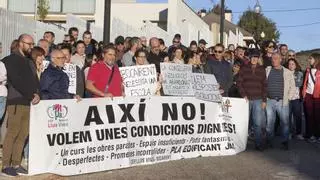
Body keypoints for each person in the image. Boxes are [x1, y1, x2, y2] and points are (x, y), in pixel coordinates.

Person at [1, 34, 40, 176]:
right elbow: (16, 80)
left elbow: (35, 80)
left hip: (28, 102)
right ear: (20, 43)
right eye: (28, 44)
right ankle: (6, 165)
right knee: (12, 133)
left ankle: (16, 163)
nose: (31, 46)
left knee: (23, 134)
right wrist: (31, 94)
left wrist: (37, 94)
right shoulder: (10, 60)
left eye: (32, 44)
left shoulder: (29, 61)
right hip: (16, 101)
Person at [237, 50, 267, 151]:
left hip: (258, 99)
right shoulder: (244, 68)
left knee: (257, 123)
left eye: (256, 57)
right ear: (250, 57)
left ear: (258, 58)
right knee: (245, 123)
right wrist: (243, 95)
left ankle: (258, 144)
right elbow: (239, 83)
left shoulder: (262, 69)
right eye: (253, 57)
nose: (254, 59)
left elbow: (264, 85)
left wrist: (264, 100)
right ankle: (242, 144)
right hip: (246, 100)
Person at [265, 52, 296, 150]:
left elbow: (292, 87)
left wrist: (289, 98)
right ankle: (269, 141)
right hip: (269, 100)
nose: (274, 60)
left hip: (283, 102)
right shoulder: (267, 70)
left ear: (280, 60)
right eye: (273, 58)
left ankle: (285, 142)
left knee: (285, 123)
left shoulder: (287, 72)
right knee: (270, 122)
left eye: (276, 58)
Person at [302, 53, 320, 143]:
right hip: (308, 95)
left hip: (318, 96)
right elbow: (305, 83)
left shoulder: (319, 71)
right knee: (309, 116)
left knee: (317, 116)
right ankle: (310, 134)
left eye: (311, 58)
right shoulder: (308, 70)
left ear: (316, 59)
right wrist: (304, 94)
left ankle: (317, 135)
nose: (309, 60)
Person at [287, 58, 304, 140]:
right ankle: (289, 132)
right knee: (288, 117)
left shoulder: (299, 73)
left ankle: (298, 133)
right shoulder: (285, 73)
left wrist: (290, 80)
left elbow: (299, 83)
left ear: (296, 65)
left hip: (296, 98)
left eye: (292, 64)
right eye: (289, 64)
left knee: (298, 116)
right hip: (287, 98)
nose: (291, 65)